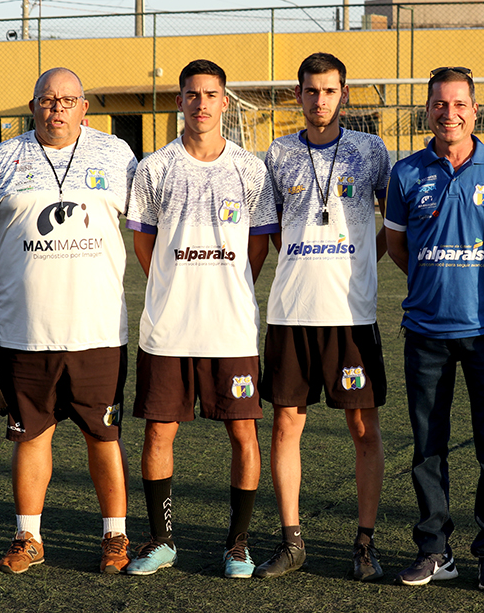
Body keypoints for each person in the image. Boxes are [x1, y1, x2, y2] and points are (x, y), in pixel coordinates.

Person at [0, 67, 137, 574]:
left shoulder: (117, 155)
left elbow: (146, 227)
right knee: (31, 435)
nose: (57, 108)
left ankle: (116, 538)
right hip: (24, 331)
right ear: (33, 105)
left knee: (103, 436)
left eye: (68, 99)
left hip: (98, 329)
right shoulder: (0, 159)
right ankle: (28, 537)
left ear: (85, 107)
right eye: (47, 99)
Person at [124, 59, 278, 578]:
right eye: (192, 94)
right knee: (159, 433)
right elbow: (143, 238)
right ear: (179, 102)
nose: (201, 103)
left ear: (225, 102)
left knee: (243, 435)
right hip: (167, 329)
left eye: (211, 94)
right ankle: (162, 540)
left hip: (230, 327)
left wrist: (229, 283)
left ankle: (238, 545)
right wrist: (171, 281)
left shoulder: (250, 169)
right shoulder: (154, 168)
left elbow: (259, 242)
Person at [384, 66, 484, 591]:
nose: (449, 113)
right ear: (426, 111)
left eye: (459, 104)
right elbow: (397, 248)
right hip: (425, 330)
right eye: (439, 105)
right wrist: (434, 281)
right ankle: (434, 549)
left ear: (475, 110)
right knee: (428, 444)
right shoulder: (406, 173)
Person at [253, 53, 390, 582]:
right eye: (311, 91)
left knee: (363, 426)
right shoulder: (279, 153)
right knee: (287, 423)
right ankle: (292, 543)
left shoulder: (371, 151)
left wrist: (360, 259)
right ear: (298, 95)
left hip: (351, 316)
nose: (319, 100)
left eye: (329, 90)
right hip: (291, 313)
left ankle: (364, 544)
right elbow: (268, 226)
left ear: (344, 94)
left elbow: (392, 223)